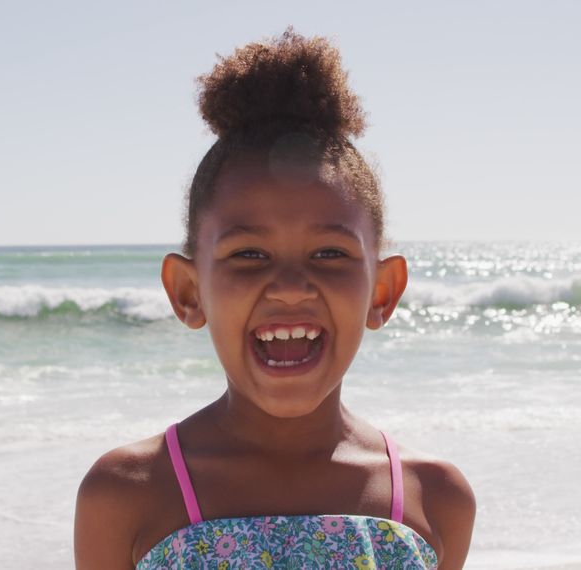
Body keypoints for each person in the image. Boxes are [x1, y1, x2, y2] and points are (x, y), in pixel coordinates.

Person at [74, 28, 475, 569]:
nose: (290, 287)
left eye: (330, 254)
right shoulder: (128, 492)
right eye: (249, 255)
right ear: (188, 292)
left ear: (383, 291)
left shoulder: (435, 500)